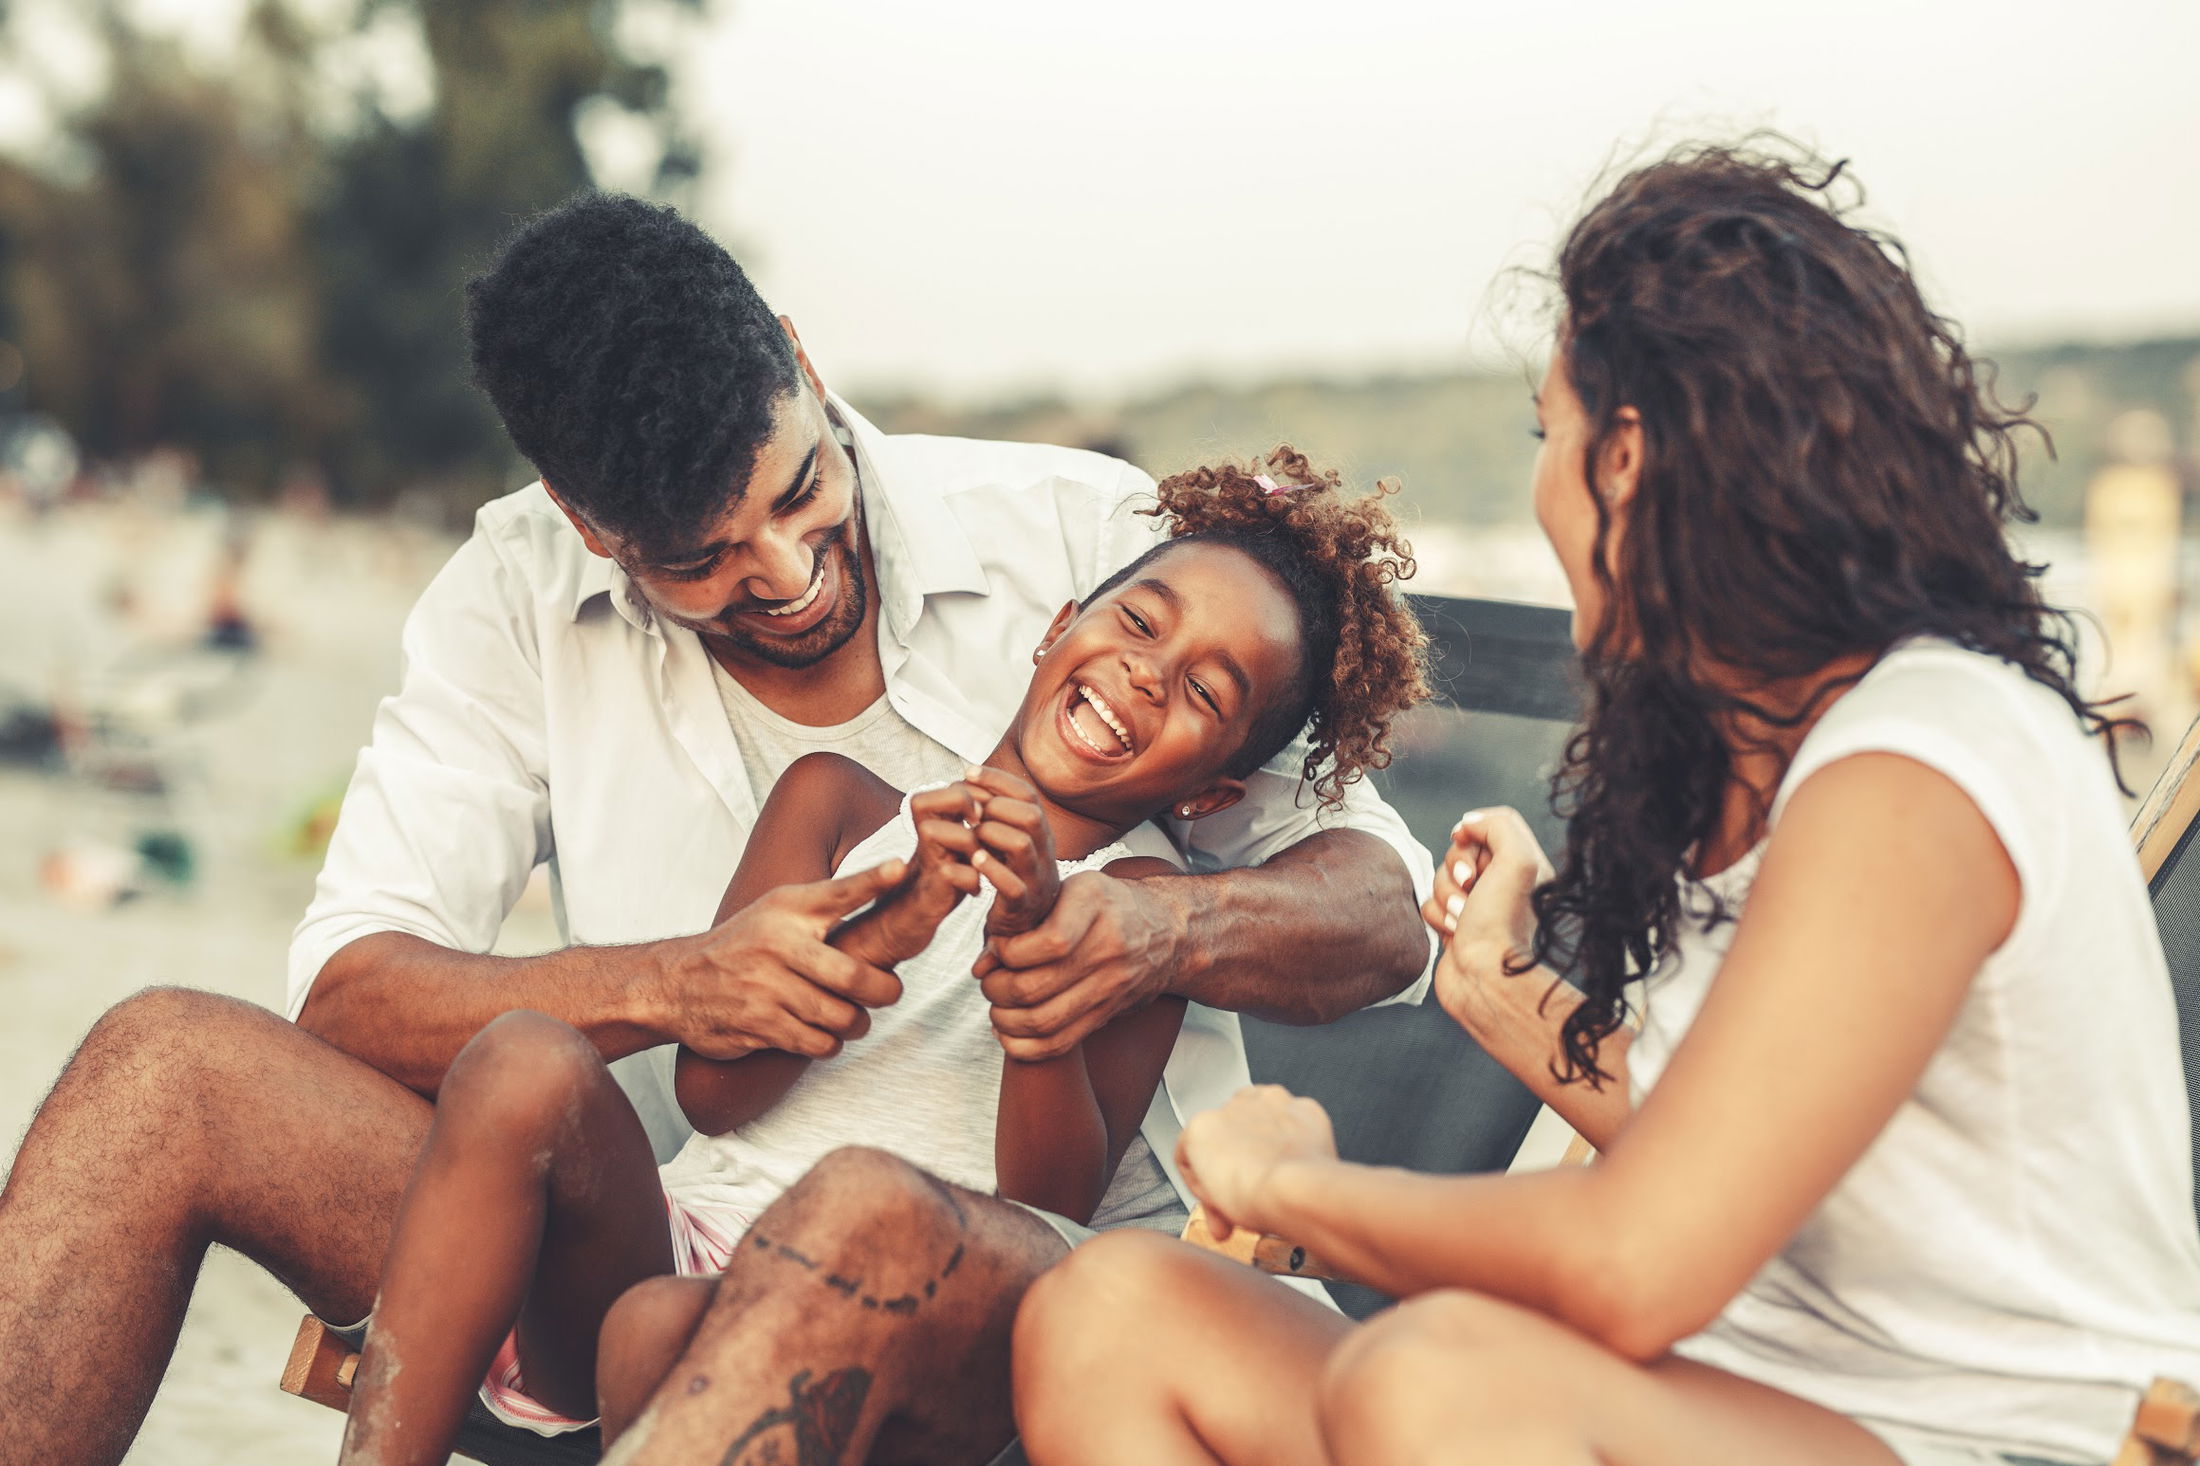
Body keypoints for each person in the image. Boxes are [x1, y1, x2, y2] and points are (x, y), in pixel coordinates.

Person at [0, 196, 1438, 1466]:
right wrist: (686, 978)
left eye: (802, 491)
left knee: (858, 1210)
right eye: (704, 559)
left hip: (1008, 1292)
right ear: (585, 519)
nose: (796, 572)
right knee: (164, 1068)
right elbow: (353, 993)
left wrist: (1145, 933)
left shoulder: (1091, 538)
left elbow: (1389, 909)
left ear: (804, 363)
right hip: (624, 1252)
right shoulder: (517, 606)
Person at [1013, 142, 2200, 1466]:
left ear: (1623, 457)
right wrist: (1504, 985)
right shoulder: (1764, 758)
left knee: (1444, 1378)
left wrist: (1288, 1182)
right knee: (1111, 1311)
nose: (1544, 478)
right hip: (1726, 1410)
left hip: (1991, 1443)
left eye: (1548, 431)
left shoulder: (1917, 764)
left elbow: (1640, 1259)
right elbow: (1740, 1151)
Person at [336, 457, 1429, 1464]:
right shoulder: (840, 800)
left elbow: (1048, 1199)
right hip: (693, 1226)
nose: (1148, 677)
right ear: (1054, 630)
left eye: (1206, 693)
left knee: (651, 1329)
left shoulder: (1137, 916)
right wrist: (886, 929)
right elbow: (712, 1095)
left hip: (911, 1310)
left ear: (1211, 791)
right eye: (1140, 625)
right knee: (519, 1052)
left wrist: (1029, 967)